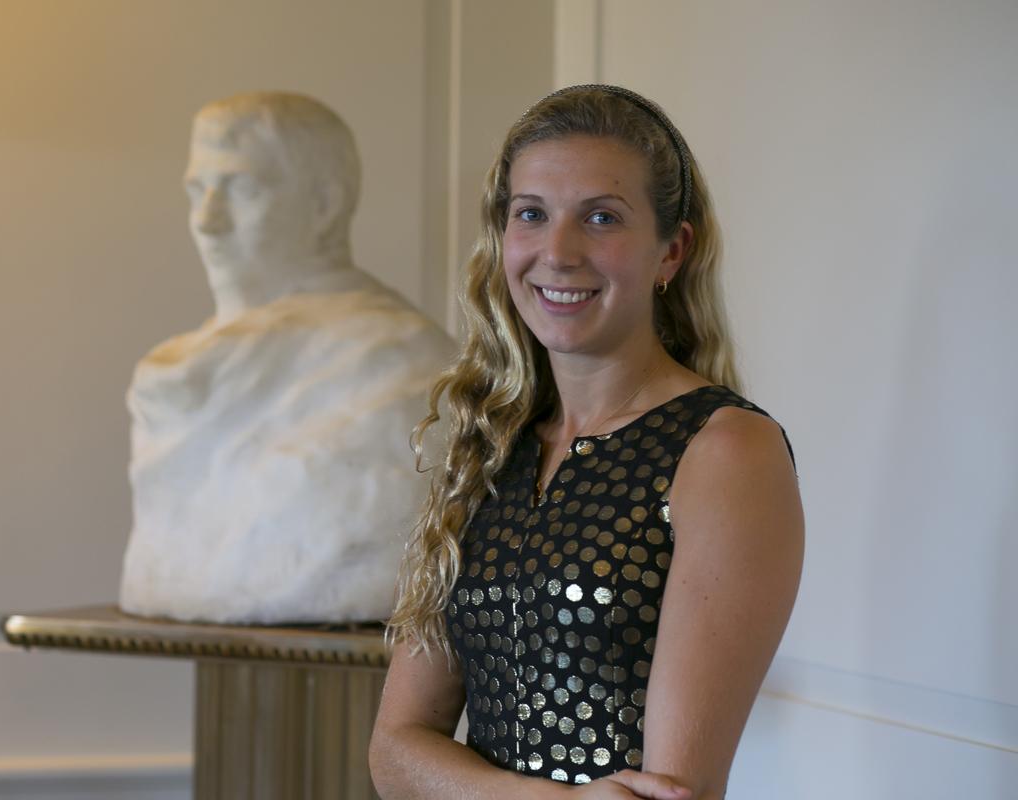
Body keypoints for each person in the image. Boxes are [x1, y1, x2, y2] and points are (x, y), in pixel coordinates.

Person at [369, 85, 804, 798]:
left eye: (601, 218)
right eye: (531, 215)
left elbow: (672, 790)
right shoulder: (491, 446)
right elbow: (394, 753)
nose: (558, 252)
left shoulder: (725, 452)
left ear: (673, 250)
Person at [119, 92, 452, 625]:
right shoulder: (182, 366)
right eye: (197, 190)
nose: (208, 221)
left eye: (242, 188)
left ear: (324, 205)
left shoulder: (402, 366)